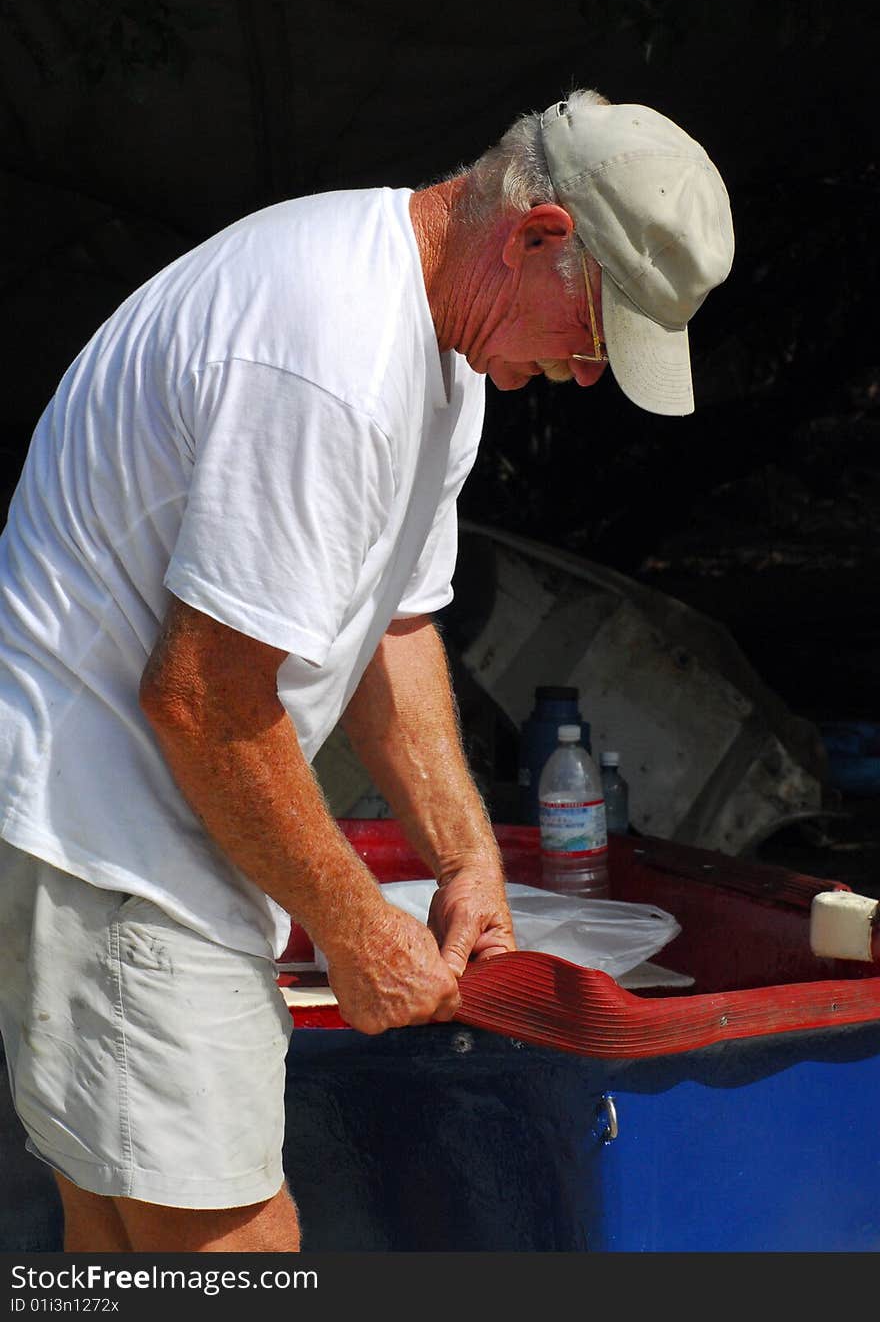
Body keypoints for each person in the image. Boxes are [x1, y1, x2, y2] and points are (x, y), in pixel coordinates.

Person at [0, 88, 734, 1253]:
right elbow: (199, 697)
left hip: (148, 821)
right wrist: (353, 924)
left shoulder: (434, 341)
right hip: (117, 835)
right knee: (231, 1249)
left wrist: (467, 856)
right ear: (538, 234)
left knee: (123, 1244)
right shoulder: (329, 354)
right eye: (598, 326)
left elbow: (394, 624)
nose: (591, 373)